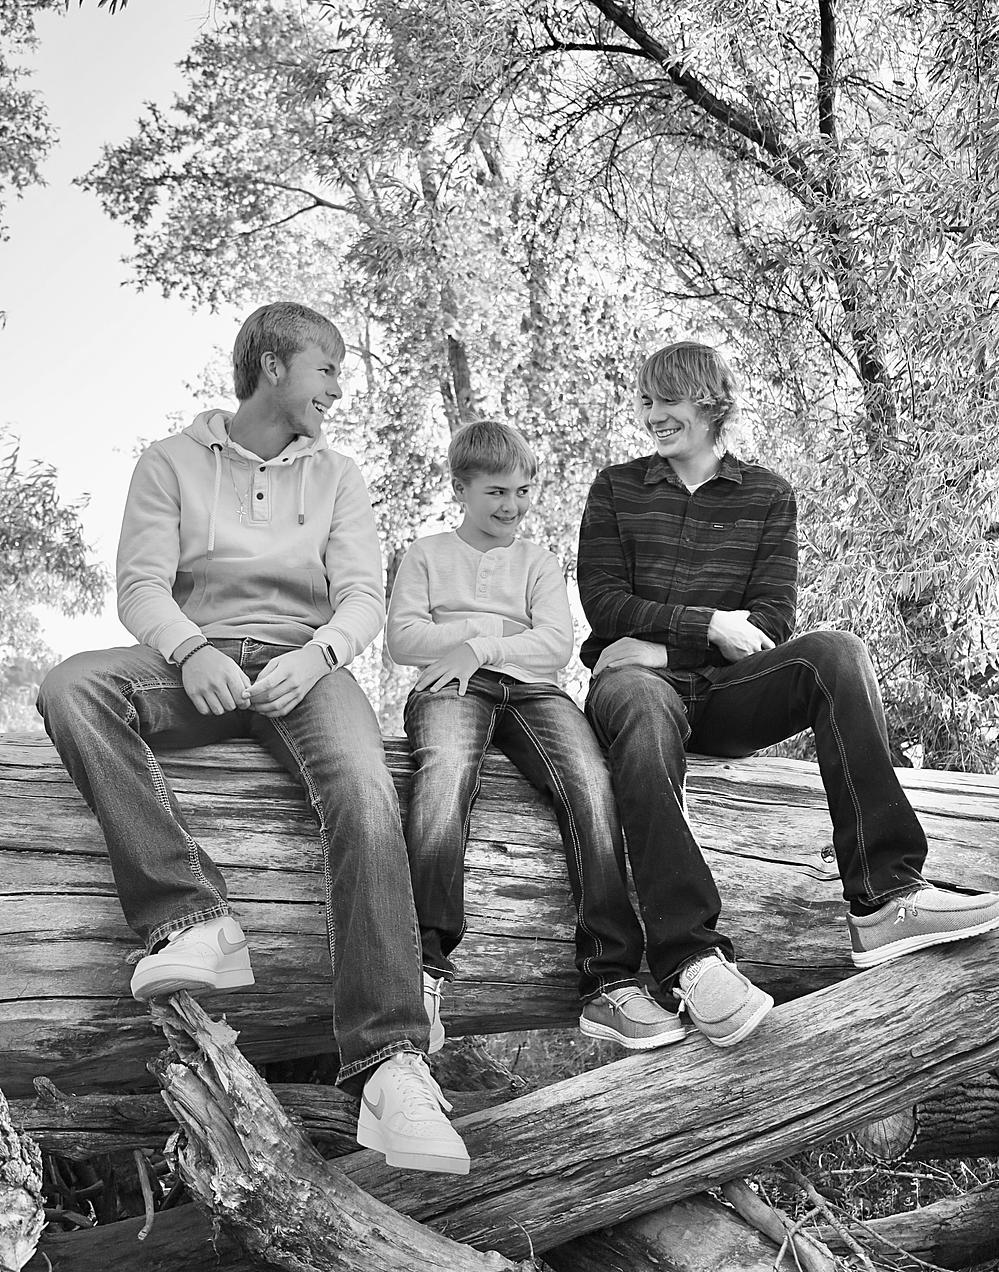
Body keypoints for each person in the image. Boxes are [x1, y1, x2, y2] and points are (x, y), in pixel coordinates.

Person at [36, 301, 468, 1175]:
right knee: (72, 687)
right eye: (328, 368)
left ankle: (390, 1065)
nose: (338, 389)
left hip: (306, 668)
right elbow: (140, 587)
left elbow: (362, 599)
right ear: (273, 366)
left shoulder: (338, 475)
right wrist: (190, 650)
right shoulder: (169, 461)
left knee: (364, 792)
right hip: (194, 664)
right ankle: (192, 918)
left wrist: (316, 658)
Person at [577, 340, 999, 1048]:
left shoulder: (768, 494)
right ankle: (690, 960)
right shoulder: (616, 489)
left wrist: (674, 641)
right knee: (645, 706)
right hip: (633, 688)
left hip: (718, 692)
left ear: (710, 402)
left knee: (836, 653)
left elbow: (771, 623)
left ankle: (885, 898)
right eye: (645, 401)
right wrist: (710, 626)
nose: (652, 415)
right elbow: (604, 603)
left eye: (667, 400)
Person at [387, 419, 685, 1054]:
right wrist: (488, 641)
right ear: (460, 488)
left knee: (591, 783)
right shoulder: (426, 555)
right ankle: (421, 969)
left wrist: (479, 643)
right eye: (496, 492)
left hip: (532, 690)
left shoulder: (539, 562)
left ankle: (609, 981)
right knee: (444, 775)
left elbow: (554, 647)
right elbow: (404, 640)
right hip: (449, 686)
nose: (512, 506)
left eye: (523, 491)